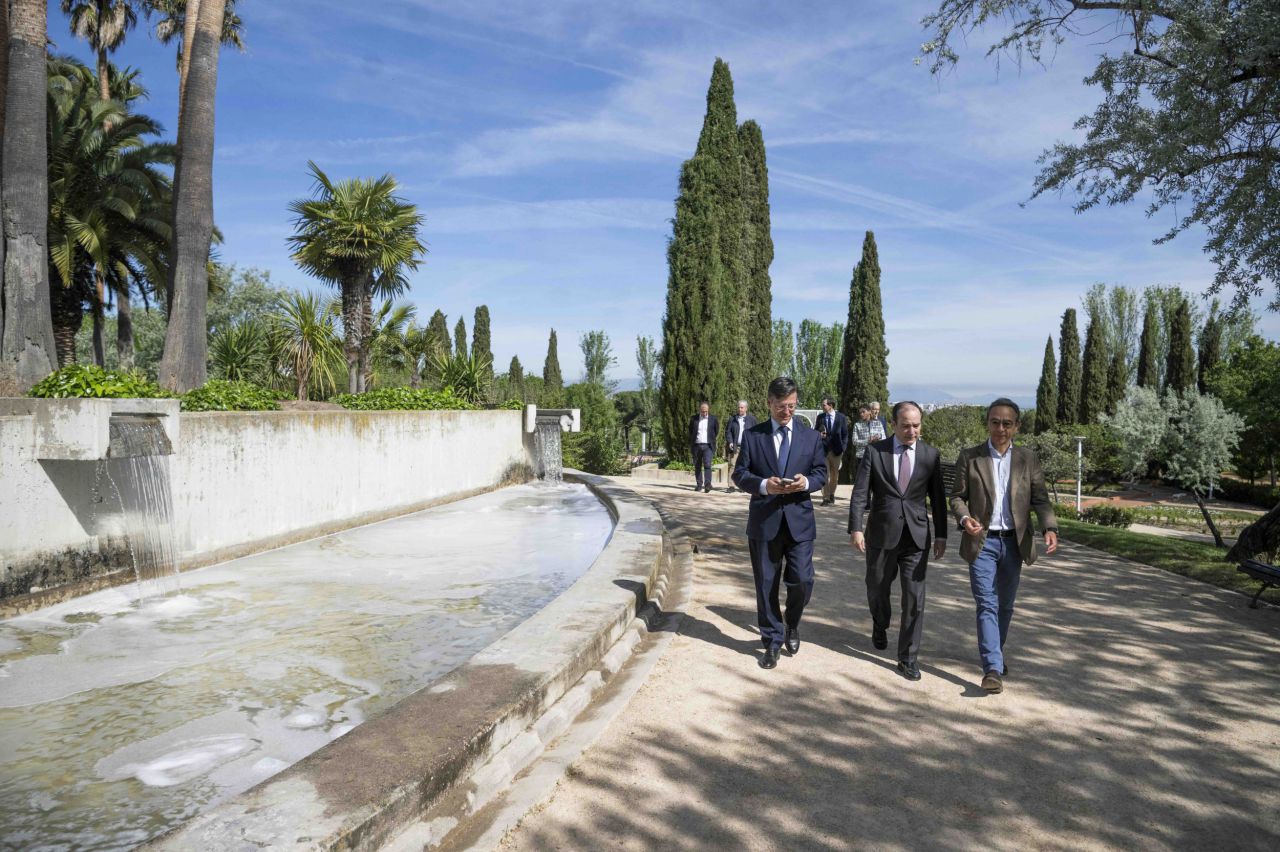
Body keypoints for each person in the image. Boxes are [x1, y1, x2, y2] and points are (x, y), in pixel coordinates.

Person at [950, 397, 1058, 695]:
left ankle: (995, 653)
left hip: (1014, 543)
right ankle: (992, 669)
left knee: (1005, 605)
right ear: (987, 424)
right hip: (981, 541)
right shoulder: (970, 457)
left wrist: (1049, 526)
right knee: (987, 602)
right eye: (995, 422)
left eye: (1007, 423)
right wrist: (964, 518)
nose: (1000, 428)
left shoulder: (1027, 459)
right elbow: (957, 497)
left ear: (1017, 427)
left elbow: (1040, 499)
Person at [731, 377, 827, 670]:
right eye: (781, 406)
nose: (787, 412)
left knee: (803, 580)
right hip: (765, 522)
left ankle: (792, 623)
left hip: (800, 522)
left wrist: (805, 482)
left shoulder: (810, 437)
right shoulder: (753, 436)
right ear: (769, 403)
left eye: (792, 406)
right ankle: (772, 641)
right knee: (766, 585)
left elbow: (821, 473)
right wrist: (764, 485)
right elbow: (740, 474)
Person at [848, 401, 947, 682]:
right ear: (893, 425)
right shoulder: (875, 452)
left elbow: (938, 499)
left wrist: (941, 534)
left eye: (916, 426)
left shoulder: (930, 455)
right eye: (906, 426)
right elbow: (860, 493)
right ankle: (880, 623)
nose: (912, 431)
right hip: (881, 534)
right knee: (876, 587)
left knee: (915, 598)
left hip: (916, 537)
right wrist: (856, 528)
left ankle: (908, 658)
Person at [816, 397, 849, 506]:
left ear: (830, 405)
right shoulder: (820, 417)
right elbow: (815, 432)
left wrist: (843, 448)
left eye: (824, 404)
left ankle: (831, 494)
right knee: (825, 474)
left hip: (837, 451)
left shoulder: (841, 417)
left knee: (834, 475)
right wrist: (819, 435)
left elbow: (845, 434)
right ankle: (825, 497)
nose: (822, 406)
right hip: (824, 450)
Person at [724, 400, 758, 493]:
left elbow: (756, 432)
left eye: (742, 407)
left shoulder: (752, 419)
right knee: (732, 465)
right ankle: (731, 486)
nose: (740, 409)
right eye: (739, 407)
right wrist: (730, 441)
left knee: (745, 467)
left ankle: (742, 486)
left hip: (747, 447)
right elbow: (728, 431)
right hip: (735, 446)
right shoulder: (732, 419)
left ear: (746, 408)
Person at [687, 402, 718, 493]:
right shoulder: (694, 419)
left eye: (706, 411)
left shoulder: (713, 419)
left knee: (707, 464)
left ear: (708, 410)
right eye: (702, 411)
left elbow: (716, 431)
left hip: (708, 446)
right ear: (699, 410)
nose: (704, 413)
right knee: (697, 465)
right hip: (697, 445)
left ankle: (707, 485)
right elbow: (691, 431)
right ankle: (699, 485)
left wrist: (710, 440)